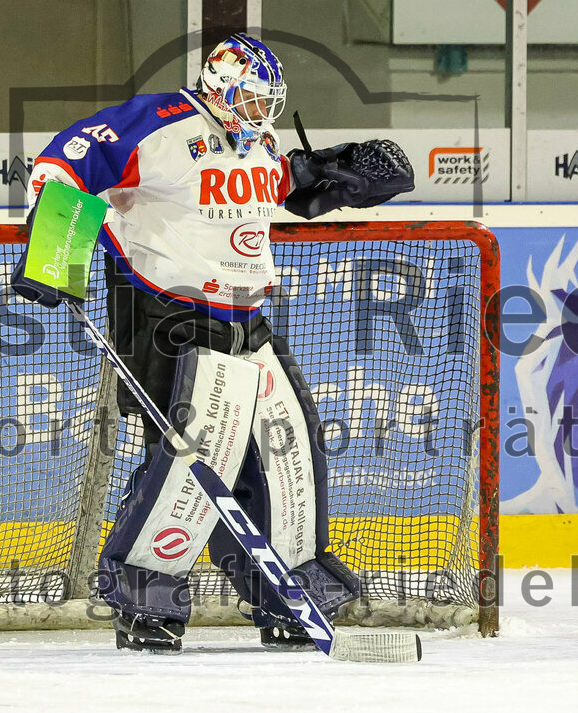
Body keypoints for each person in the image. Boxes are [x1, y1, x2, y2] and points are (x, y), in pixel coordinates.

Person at [24, 33, 413, 653]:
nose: (262, 113)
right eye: (252, 99)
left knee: (289, 450)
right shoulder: (157, 123)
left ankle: (287, 595)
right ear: (221, 86)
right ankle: (146, 602)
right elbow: (63, 165)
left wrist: (331, 176)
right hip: (166, 316)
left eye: (268, 103)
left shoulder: (258, 139)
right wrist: (56, 256)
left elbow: (273, 188)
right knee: (189, 460)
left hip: (247, 318)